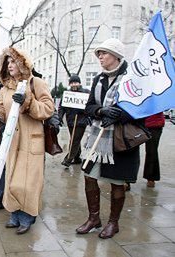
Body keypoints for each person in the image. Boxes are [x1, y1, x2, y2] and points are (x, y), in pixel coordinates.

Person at [0, 47, 54, 234]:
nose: (9, 65)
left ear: (23, 63)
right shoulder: (5, 87)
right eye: (7, 62)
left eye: (13, 61)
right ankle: (15, 214)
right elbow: (1, 109)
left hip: (32, 140)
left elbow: (48, 109)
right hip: (12, 141)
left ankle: (27, 216)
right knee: (12, 180)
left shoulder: (36, 83)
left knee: (28, 182)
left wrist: (28, 102)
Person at [77, 38, 140, 239]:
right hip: (97, 138)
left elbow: (140, 110)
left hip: (120, 140)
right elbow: (88, 107)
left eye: (103, 53)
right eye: (99, 54)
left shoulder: (132, 79)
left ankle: (114, 223)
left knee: (116, 182)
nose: (100, 57)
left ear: (116, 55)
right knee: (89, 176)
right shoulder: (98, 79)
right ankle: (94, 219)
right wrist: (102, 110)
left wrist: (119, 115)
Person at [58, 74, 90, 167]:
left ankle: (68, 160)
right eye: (71, 83)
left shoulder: (86, 92)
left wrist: (86, 112)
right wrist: (59, 117)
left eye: (75, 82)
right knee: (75, 139)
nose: (74, 84)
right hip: (71, 121)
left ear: (79, 83)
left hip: (81, 121)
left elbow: (91, 106)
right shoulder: (67, 94)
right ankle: (77, 158)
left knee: (74, 140)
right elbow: (61, 107)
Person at [143, 112, 165, 187]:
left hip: (154, 124)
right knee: (130, 149)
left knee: (151, 151)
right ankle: (127, 179)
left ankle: (151, 177)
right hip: (136, 121)